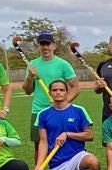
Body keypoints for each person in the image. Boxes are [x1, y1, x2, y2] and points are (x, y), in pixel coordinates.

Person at [35, 79, 101, 170]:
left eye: (61, 90)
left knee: (94, 162)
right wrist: (39, 165)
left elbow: (90, 135)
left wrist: (68, 134)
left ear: (66, 92)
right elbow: (43, 142)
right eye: (54, 90)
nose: (58, 93)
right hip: (57, 160)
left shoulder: (78, 110)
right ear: (50, 93)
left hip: (77, 155)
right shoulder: (43, 114)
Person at [23, 31, 79, 159]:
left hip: (59, 111)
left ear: (54, 46)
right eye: (42, 44)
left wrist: (62, 104)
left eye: (47, 44)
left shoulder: (63, 64)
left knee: (63, 142)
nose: (45, 47)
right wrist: (30, 77)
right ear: (38, 47)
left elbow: (75, 88)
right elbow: (27, 90)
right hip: (38, 111)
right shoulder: (32, 65)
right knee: (38, 145)